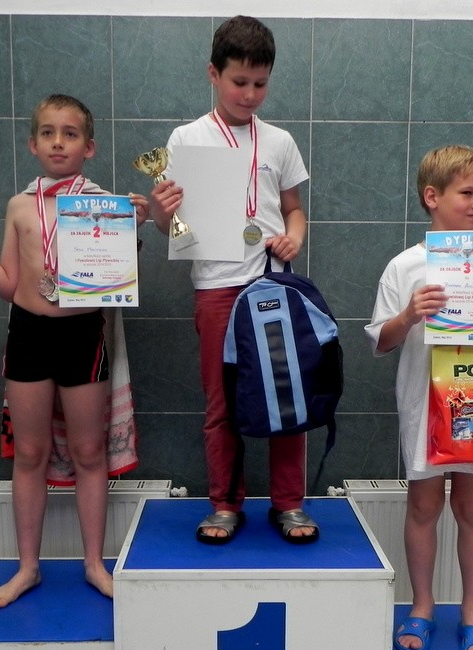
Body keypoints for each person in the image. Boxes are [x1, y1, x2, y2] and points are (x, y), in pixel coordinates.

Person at [0, 94, 148, 605]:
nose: (58, 142)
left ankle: (94, 564)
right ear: (32, 144)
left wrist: (133, 227)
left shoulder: (104, 204)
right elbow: (8, 284)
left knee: (89, 452)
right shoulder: (19, 206)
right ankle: (28, 567)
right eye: (48, 133)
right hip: (29, 333)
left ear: (89, 147)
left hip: (83, 335)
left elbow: (116, 279)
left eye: (70, 133)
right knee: (30, 453)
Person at [148, 15, 317, 545]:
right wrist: (160, 211)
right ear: (213, 74)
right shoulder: (186, 139)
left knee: (285, 396)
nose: (249, 94)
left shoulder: (280, 141)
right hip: (216, 287)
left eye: (260, 83)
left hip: (272, 284)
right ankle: (224, 503)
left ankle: (289, 502)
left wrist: (294, 237)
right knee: (221, 401)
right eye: (239, 81)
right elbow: (169, 227)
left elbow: (294, 210)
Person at [364, 145, 473, 650]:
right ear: (432, 197)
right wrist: (410, 315)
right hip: (424, 401)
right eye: (467, 193)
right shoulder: (406, 265)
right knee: (424, 507)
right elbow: (380, 340)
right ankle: (423, 606)